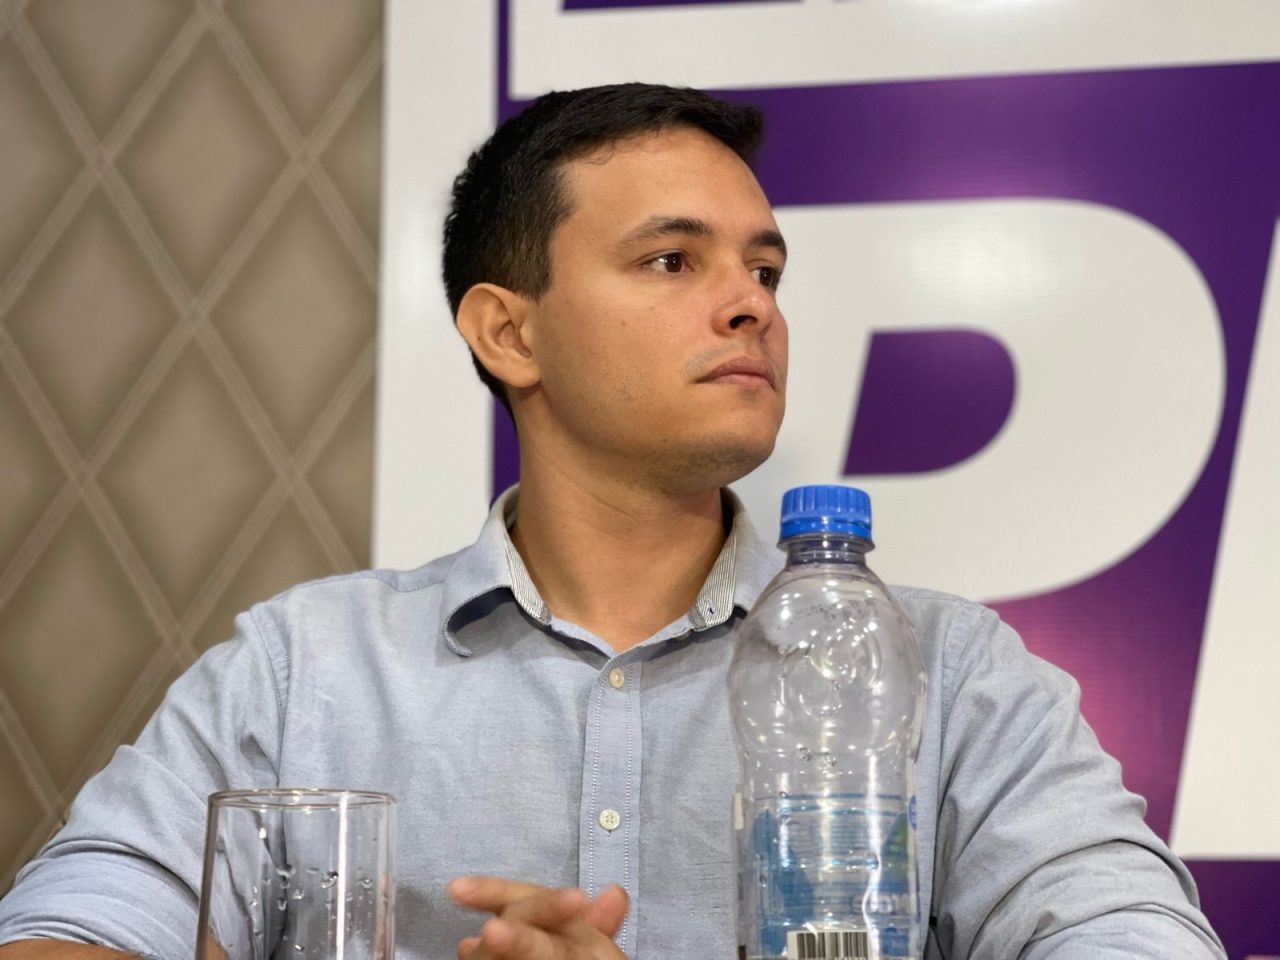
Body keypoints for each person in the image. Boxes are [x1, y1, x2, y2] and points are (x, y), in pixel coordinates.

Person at [0, 83, 1224, 960]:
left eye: (763, 270)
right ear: (508, 331)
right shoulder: (302, 669)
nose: (750, 306)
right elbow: (66, 930)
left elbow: (1132, 935)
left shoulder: (948, 670)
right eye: (671, 262)